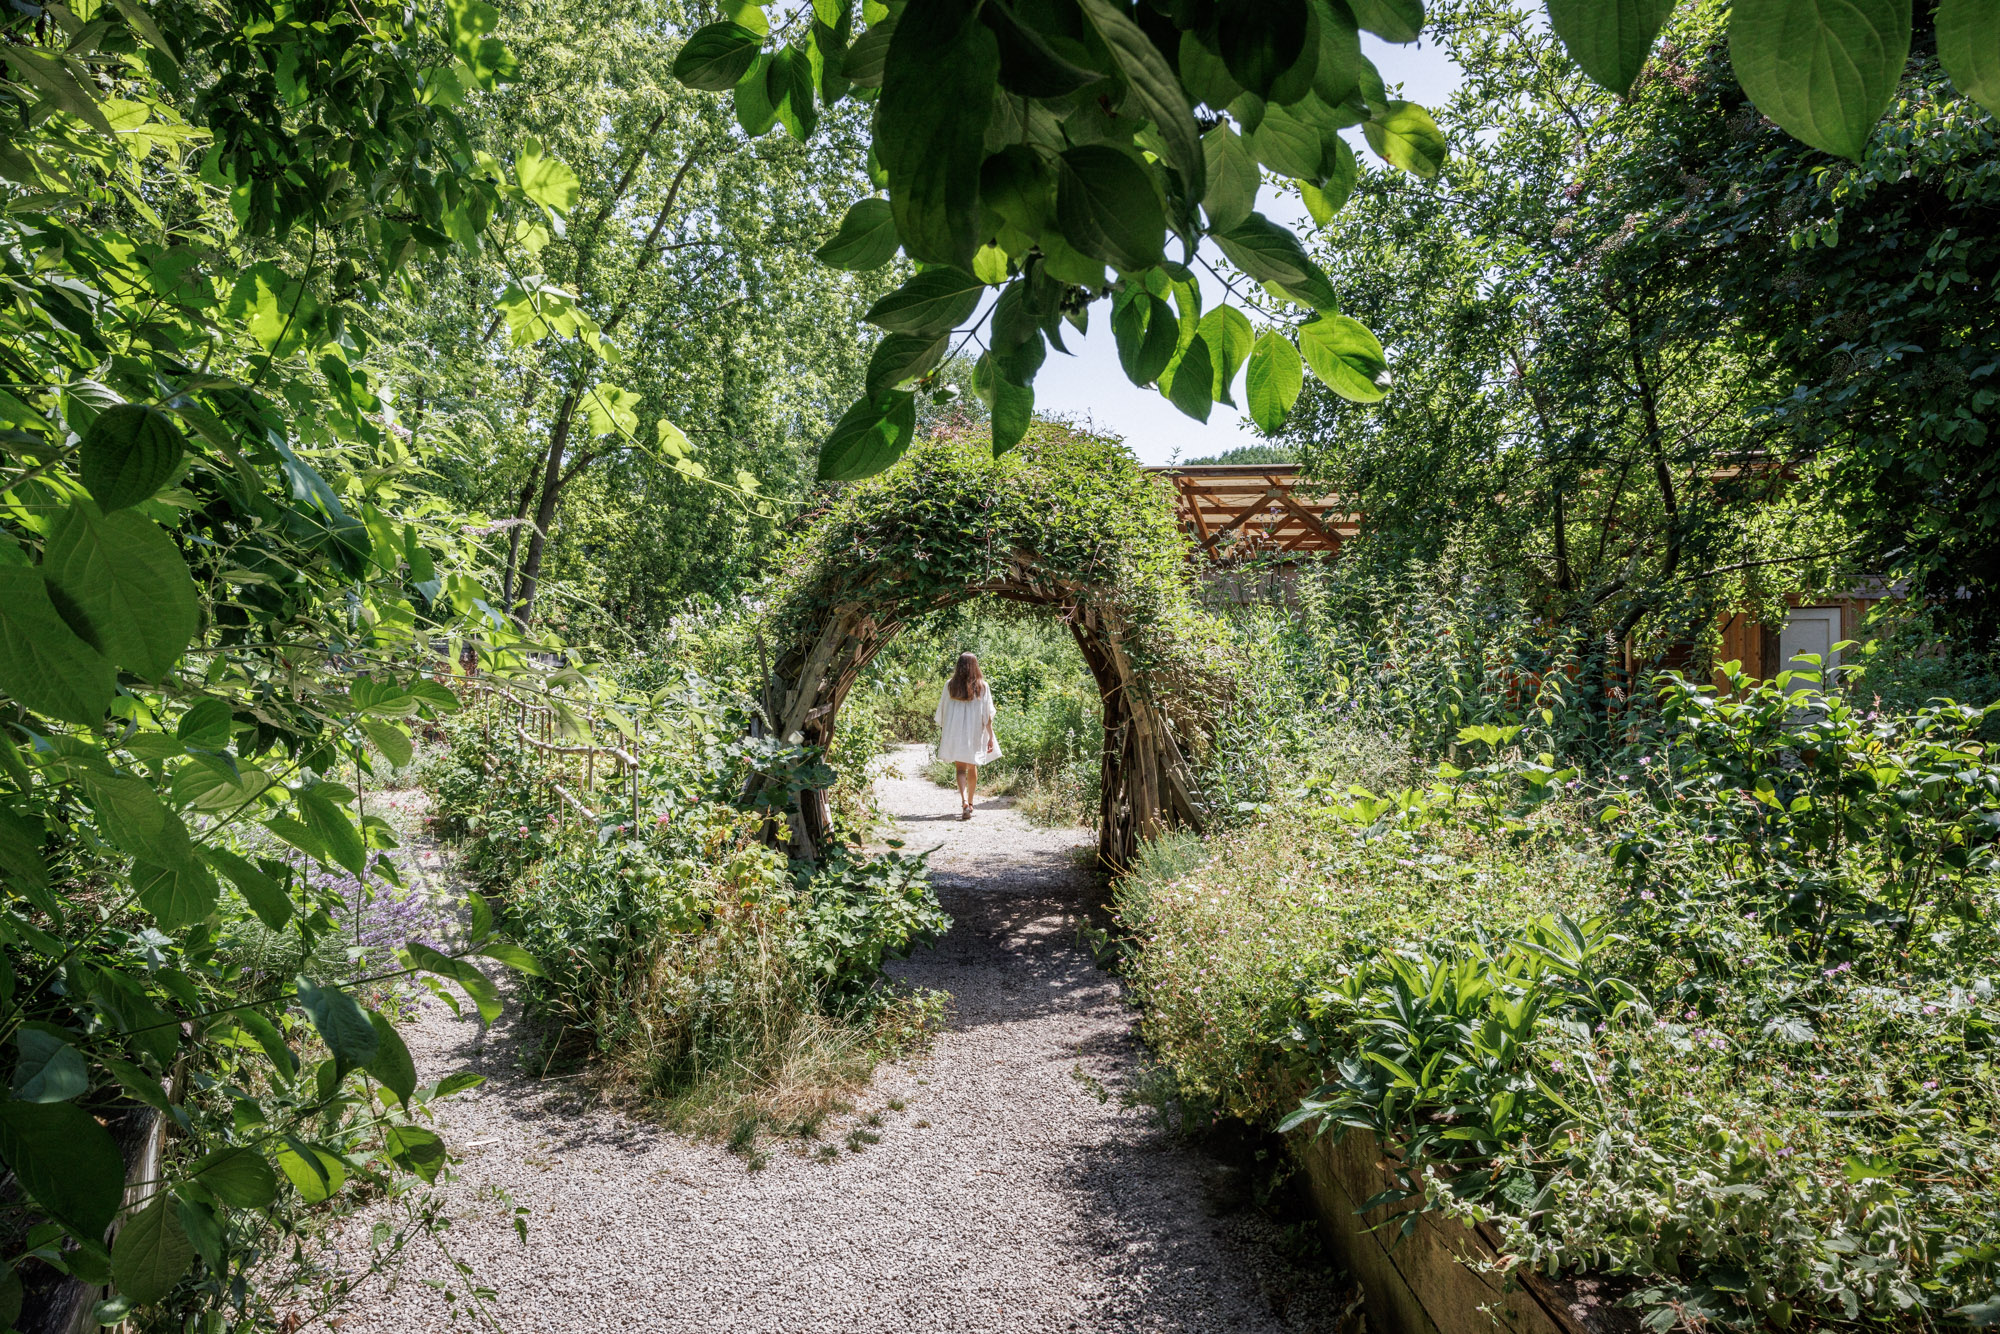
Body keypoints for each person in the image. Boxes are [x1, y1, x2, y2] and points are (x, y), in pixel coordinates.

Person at [935, 651, 1000, 820]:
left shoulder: (950, 685)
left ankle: (963, 801)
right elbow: (987, 715)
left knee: (960, 769)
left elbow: (943, 710)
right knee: (972, 766)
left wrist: (945, 733)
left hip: (956, 732)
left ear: (959, 666)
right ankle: (970, 803)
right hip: (974, 733)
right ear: (975, 666)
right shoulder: (982, 686)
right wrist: (990, 736)